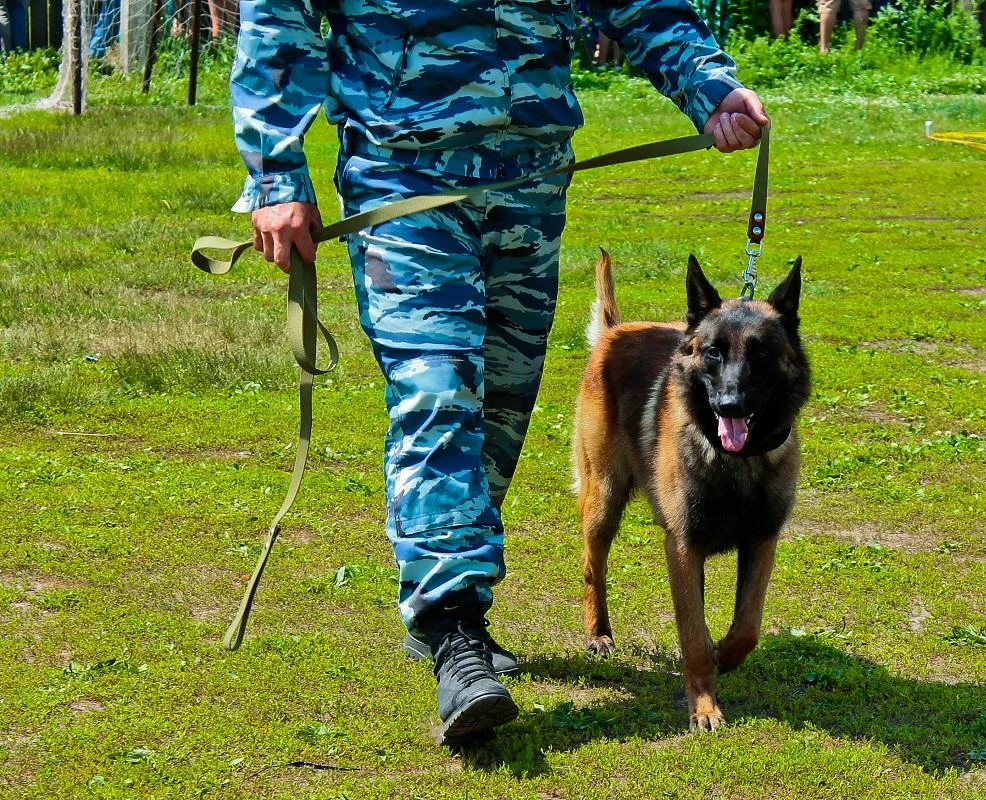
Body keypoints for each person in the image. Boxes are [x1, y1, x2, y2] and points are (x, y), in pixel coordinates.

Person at [231, 0, 767, 745]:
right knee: (437, 389)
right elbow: (278, 13)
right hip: (404, 171)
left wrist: (708, 87)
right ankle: (455, 630)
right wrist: (276, 171)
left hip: (530, 179)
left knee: (503, 405)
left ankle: (446, 600)